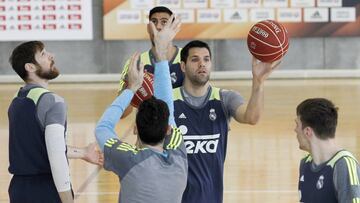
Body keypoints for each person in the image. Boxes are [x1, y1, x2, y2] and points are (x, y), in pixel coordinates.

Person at [173, 40, 281, 203]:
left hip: (211, 198)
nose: (202, 64)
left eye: (206, 59)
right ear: (183, 66)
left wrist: (258, 82)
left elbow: (251, 117)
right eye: (195, 59)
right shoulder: (168, 100)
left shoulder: (225, 98)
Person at [95, 15, 187, 203]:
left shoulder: (128, 158)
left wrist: (131, 89)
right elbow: (167, 107)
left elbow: (103, 128)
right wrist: (162, 54)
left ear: (135, 128)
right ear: (168, 130)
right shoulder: (178, 154)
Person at [8, 41, 103, 203]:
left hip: (18, 190)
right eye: (43, 54)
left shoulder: (17, 100)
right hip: (46, 189)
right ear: (30, 67)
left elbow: (43, 147)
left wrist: (82, 153)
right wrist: (67, 200)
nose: (52, 55)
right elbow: (57, 156)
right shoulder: (52, 101)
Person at [118, 6, 183, 118]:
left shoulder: (188, 58)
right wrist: (130, 88)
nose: (158, 26)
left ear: (172, 28)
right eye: (154, 22)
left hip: (182, 129)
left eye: (164, 22)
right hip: (148, 131)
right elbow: (122, 113)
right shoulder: (136, 63)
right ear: (148, 28)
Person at [295, 98, 360, 202]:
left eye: (297, 125)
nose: (295, 130)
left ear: (308, 131)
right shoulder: (305, 164)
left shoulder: (343, 165)